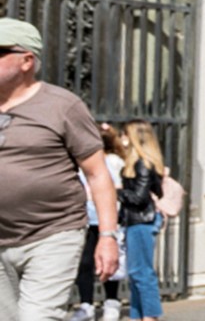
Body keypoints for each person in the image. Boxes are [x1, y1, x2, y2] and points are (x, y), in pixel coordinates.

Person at [0, 18, 120, 321]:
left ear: (27, 60)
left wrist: (107, 236)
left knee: (36, 317)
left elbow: (98, 174)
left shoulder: (62, 106)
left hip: (53, 233)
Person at [72, 126, 126, 321]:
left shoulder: (113, 161)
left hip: (107, 216)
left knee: (108, 261)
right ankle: (86, 304)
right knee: (85, 262)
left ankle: (112, 301)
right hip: (85, 216)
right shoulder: (79, 161)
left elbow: (118, 186)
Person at [116, 121, 164, 321]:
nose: (122, 139)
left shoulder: (143, 164)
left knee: (142, 272)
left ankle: (150, 316)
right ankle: (138, 315)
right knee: (136, 273)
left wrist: (116, 191)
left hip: (142, 221)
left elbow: (139, 197)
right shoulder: (136, 163)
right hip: (135, 221)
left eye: (125, 135)